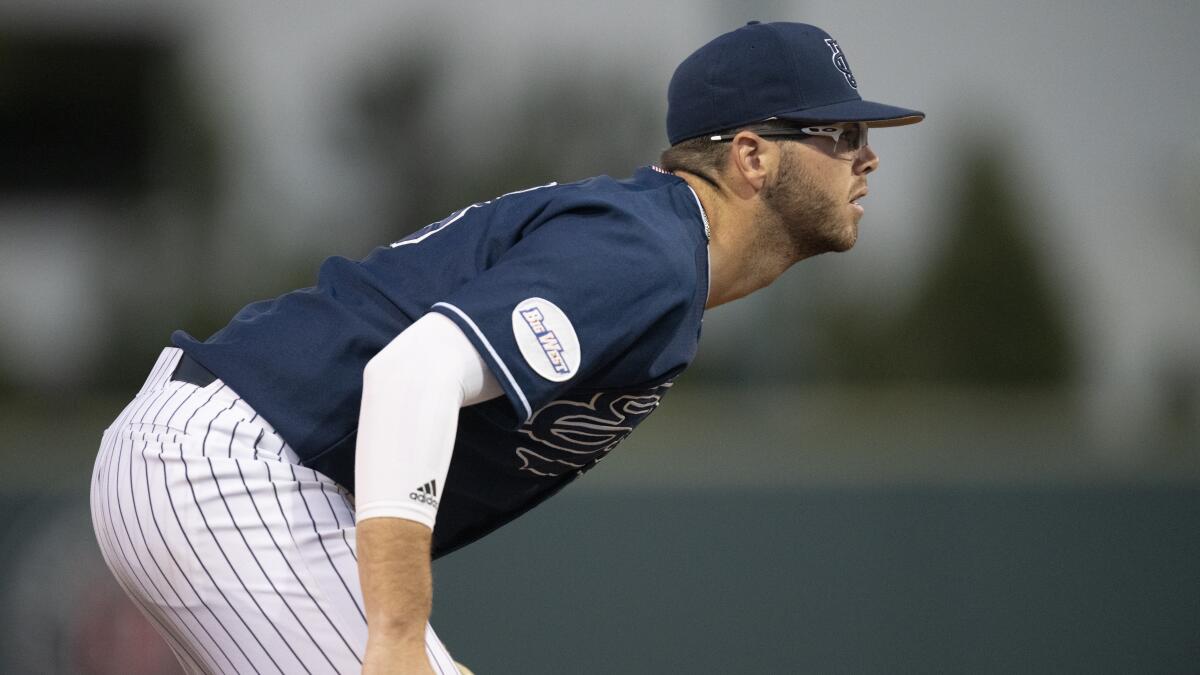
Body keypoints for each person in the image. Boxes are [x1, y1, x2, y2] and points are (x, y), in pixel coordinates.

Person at [89, 20, 923, 675]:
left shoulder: (660, 252)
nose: (868, 156)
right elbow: (410, 373)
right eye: (841, 134)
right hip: (235, 468)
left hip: (241, 469)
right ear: (751, 156)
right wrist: (399, 631)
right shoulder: (651, 253)